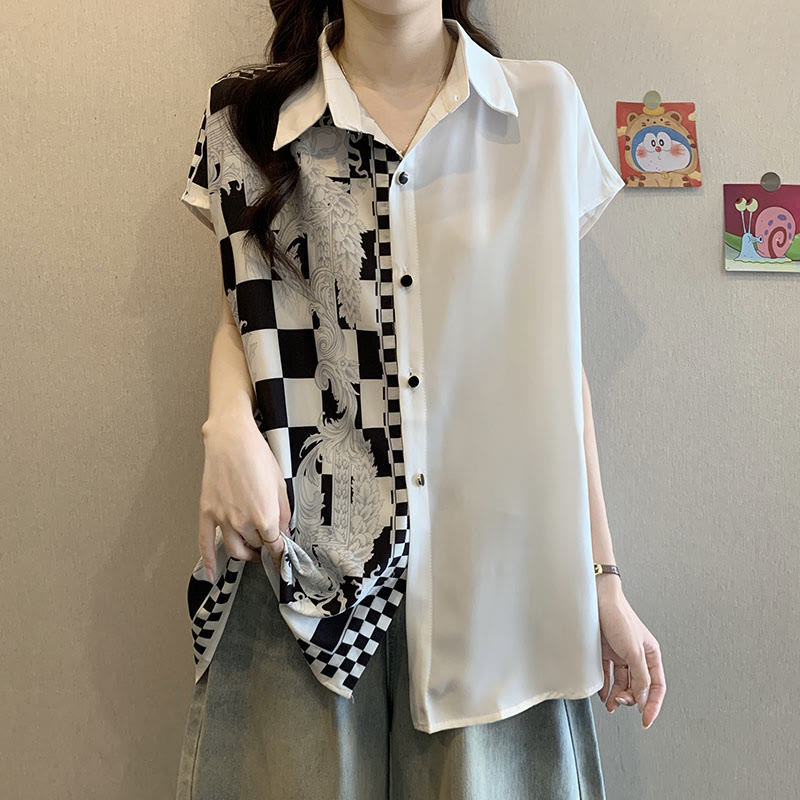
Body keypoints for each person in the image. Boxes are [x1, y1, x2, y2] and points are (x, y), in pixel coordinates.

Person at [175, 1, 667, 798]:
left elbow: (552, 359)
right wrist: (226, 424)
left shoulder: (539, 109)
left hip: (498, 588)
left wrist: (602, 577)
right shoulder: (249, 122)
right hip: (305, 574)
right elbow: (248, 307)